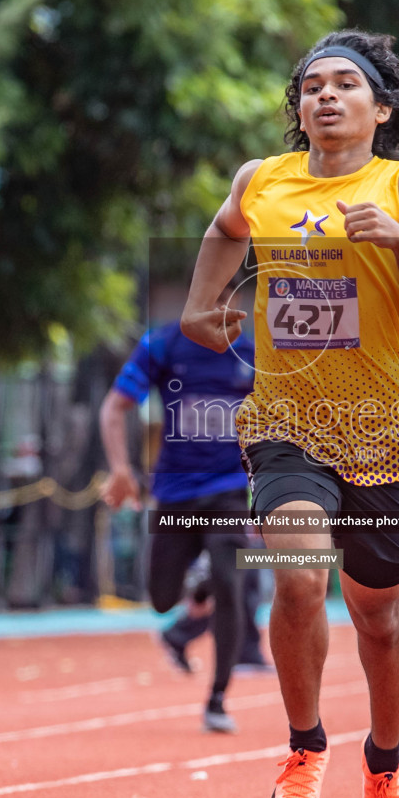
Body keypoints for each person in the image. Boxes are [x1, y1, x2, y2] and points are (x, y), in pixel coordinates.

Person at [178, 30, 399, 798]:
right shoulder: (259, 181)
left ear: (383, 109)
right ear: (299, 109)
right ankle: (305, 746)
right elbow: (222, 232)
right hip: (285, 422)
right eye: (311, 87)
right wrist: (204, 307)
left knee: (379, 616)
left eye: (345, 85)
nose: (325, 97)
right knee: (298, 577)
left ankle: (385, 767)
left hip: (379, 429)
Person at [98, 295, 263, 734]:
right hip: (174, 494)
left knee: (232, 581)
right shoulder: (164, 344)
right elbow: (115, 408)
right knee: (162, 598)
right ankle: (197, 584)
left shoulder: (254, 354)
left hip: (227, 490)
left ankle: (217, 699)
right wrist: (120, 469)